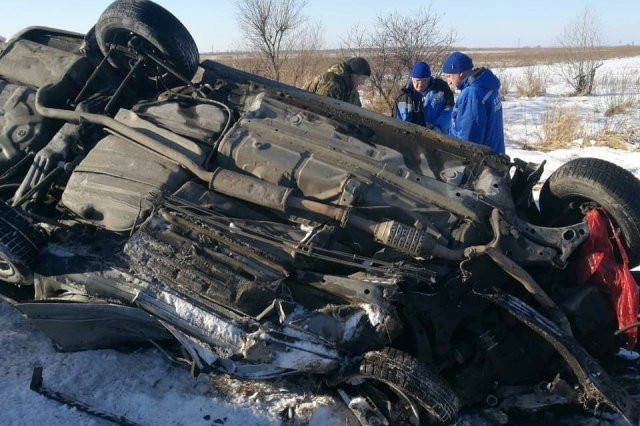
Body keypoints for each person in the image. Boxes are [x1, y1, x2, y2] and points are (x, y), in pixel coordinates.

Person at [441, 51, 505, 154]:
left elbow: (468, 138)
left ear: (460, 73)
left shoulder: (472, 94)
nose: (449, 82)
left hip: (481, 159)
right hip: (495, 151)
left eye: (449, 76)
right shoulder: (487, 85)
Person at [393, 61, 453, 133]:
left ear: (429, 78)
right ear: (412, 79)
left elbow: (449, 111)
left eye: (424, 80)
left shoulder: (441, 88)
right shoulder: (403, 95)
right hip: (411, 135)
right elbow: (398, 120)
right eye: (417, 80)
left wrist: (437, 127)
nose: (420, 84)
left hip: (438, 134)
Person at [304, 57, 371, 106]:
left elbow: (357, 113)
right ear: (353, 75)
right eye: (363, 78)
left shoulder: (352, 92)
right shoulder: (332, 83)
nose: (363, 83)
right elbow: (320, 109)